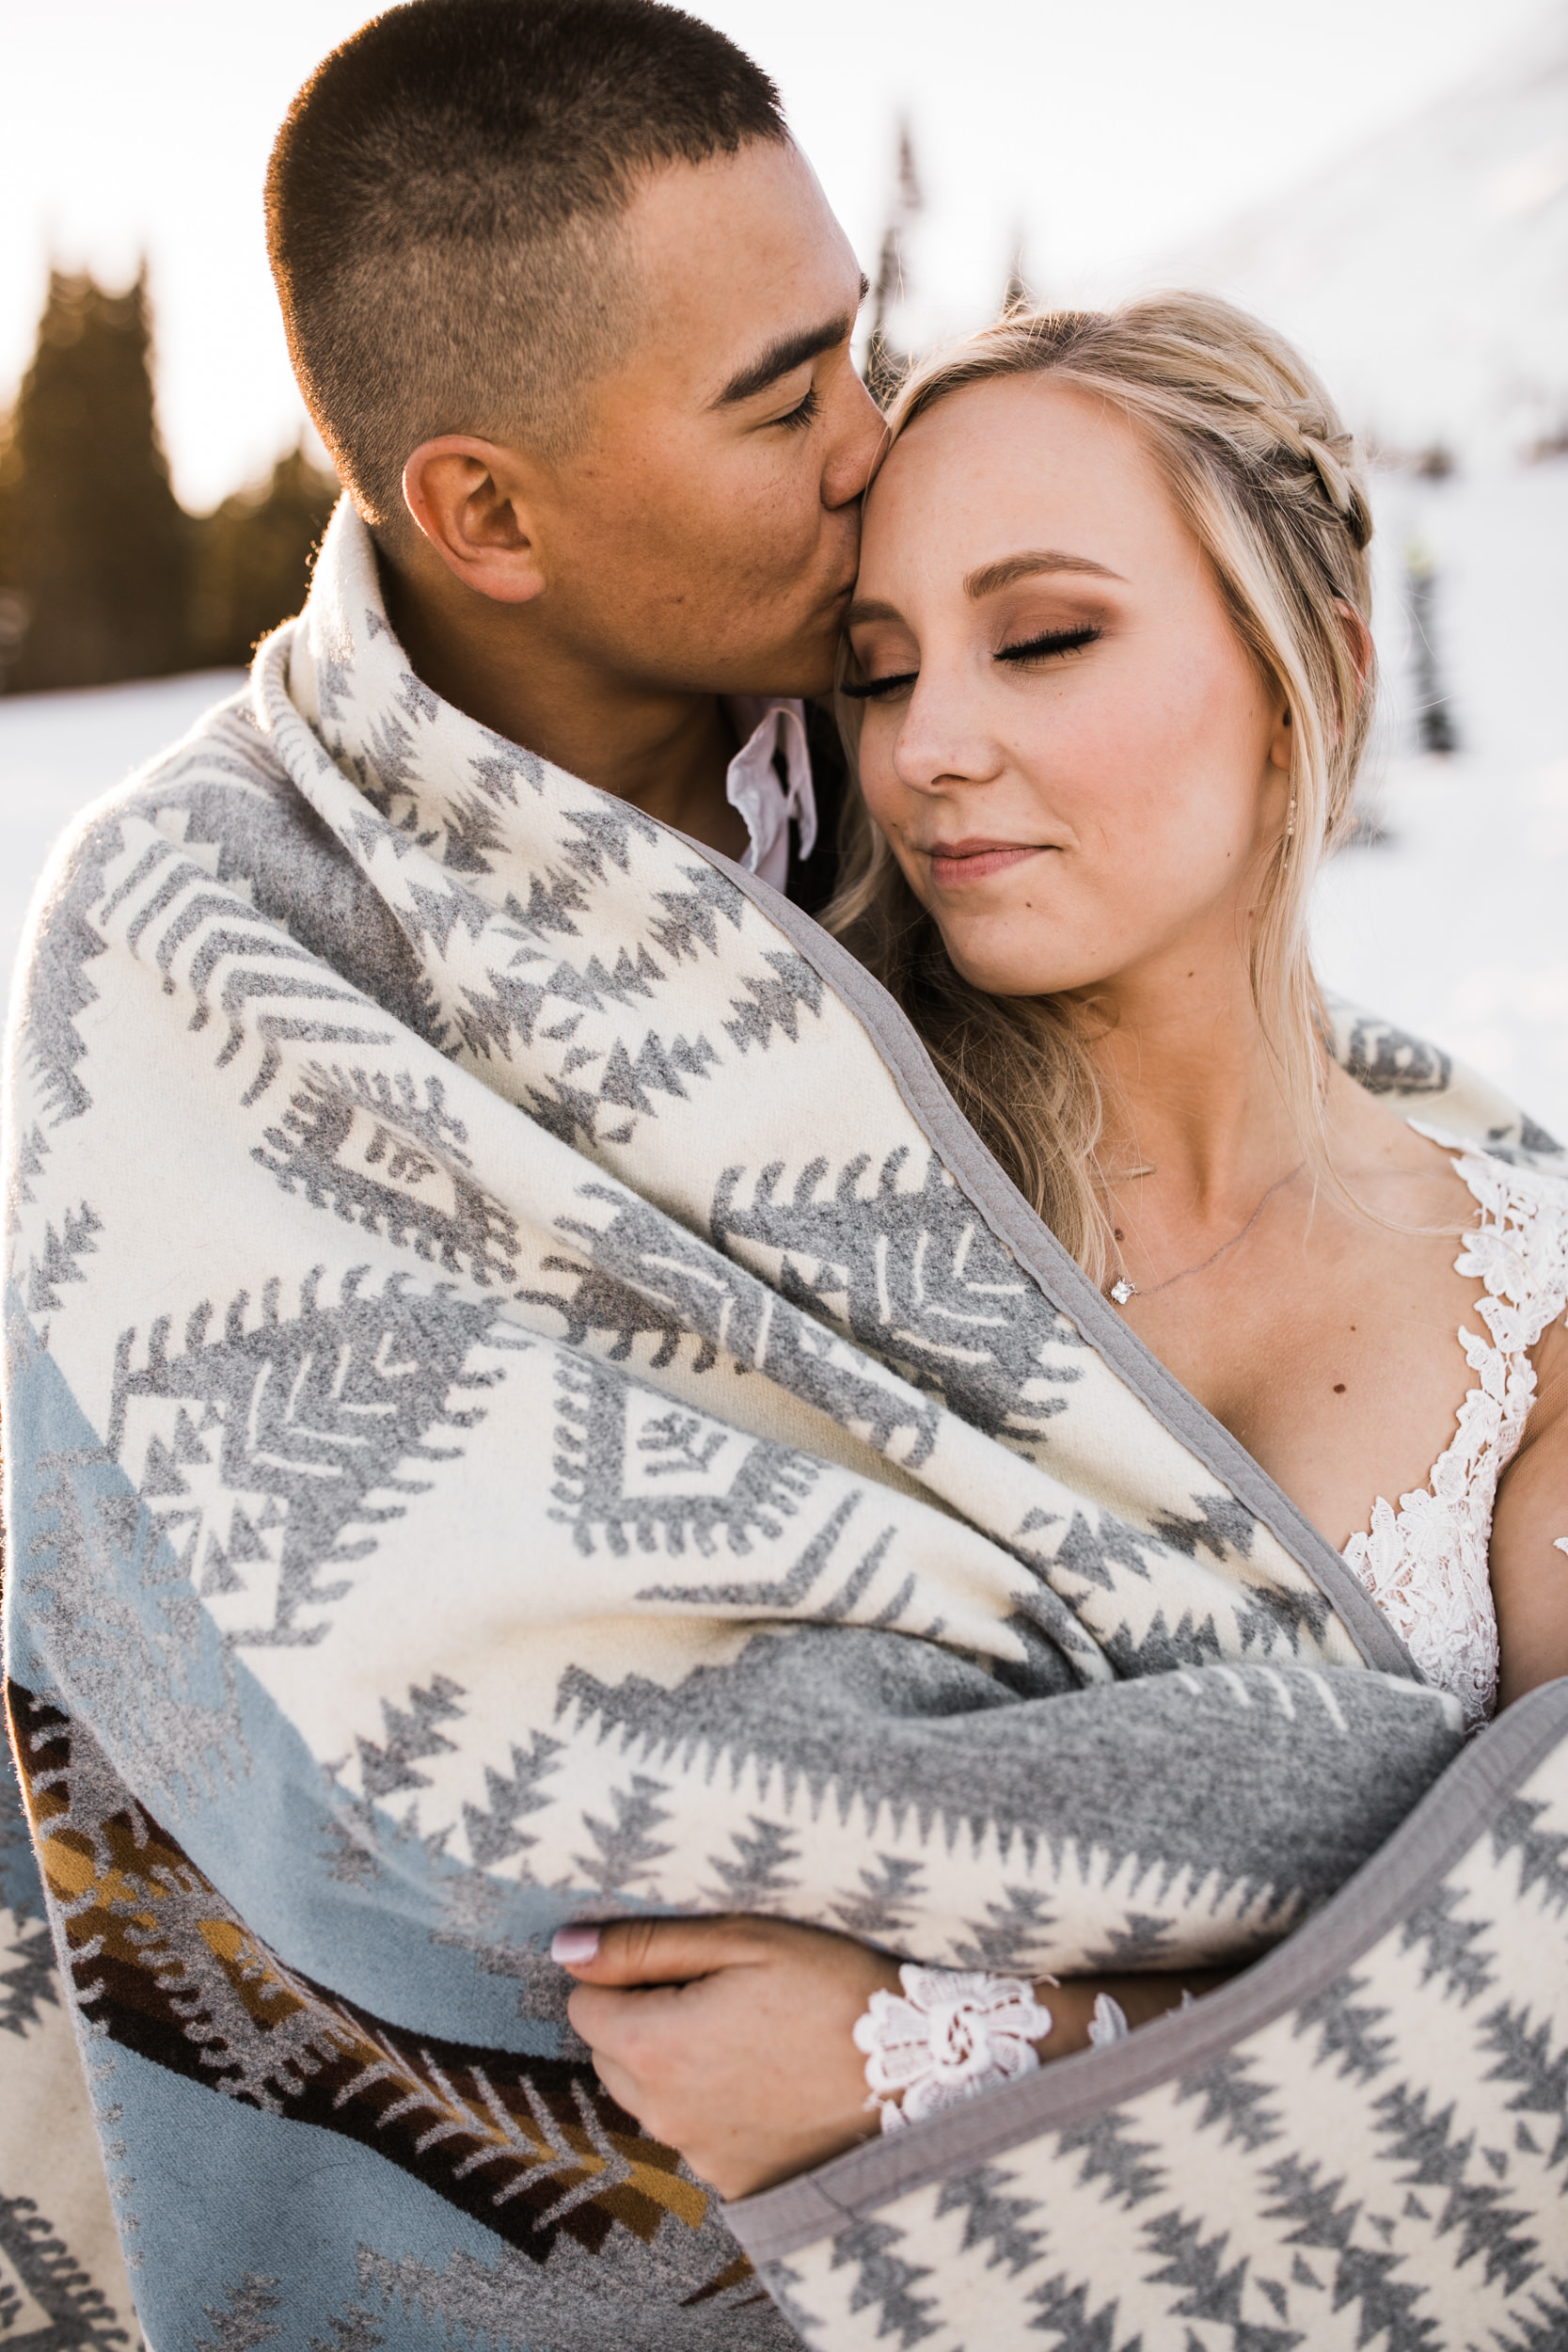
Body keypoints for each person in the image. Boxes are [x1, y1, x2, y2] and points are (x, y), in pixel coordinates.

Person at [554, 293, 1568, 2201]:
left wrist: (954, 2046)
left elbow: (1545, 2020)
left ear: (1313, 681)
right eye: (875, 670)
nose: (931, 743)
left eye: (1044, 639)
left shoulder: (1534, 1309)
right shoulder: (762, 1214)